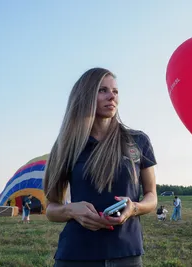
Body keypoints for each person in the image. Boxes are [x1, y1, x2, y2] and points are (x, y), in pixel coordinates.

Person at [43, 67, 158, 267]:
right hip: (76, 256)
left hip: (126, 255)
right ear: (85, 96)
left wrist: (134, 208)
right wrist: (71, 210)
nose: (111, 96)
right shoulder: (67, 145)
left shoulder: (138, 141)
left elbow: (151, 196)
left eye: (115, 91)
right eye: (102, 90)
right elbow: (51, 209)